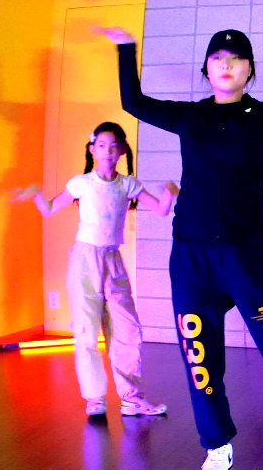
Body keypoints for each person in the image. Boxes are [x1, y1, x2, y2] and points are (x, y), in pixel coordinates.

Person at [103, 24, 263, 470]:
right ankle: (217, 444)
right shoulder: (190, 117)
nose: (226, 64)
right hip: (193, 260)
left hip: (249, 258)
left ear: (249, 70)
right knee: (200, 359)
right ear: (206, 69)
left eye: (236, 58)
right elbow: (133, 102)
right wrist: (125, 47)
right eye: (217, 58)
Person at [21, 122, 173, 417]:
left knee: (127, 329)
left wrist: (170, 191)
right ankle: (95, 399)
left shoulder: (128, 184)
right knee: (87, 332)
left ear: (122, 150)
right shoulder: (81, 183)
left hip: (113, 261)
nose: (107, 152)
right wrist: (36, 193)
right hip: (84, 262)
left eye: (113, 146)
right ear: (92, 149)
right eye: (101, 145)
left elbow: (161, 210)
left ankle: (132, 399)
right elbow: (49, 209)